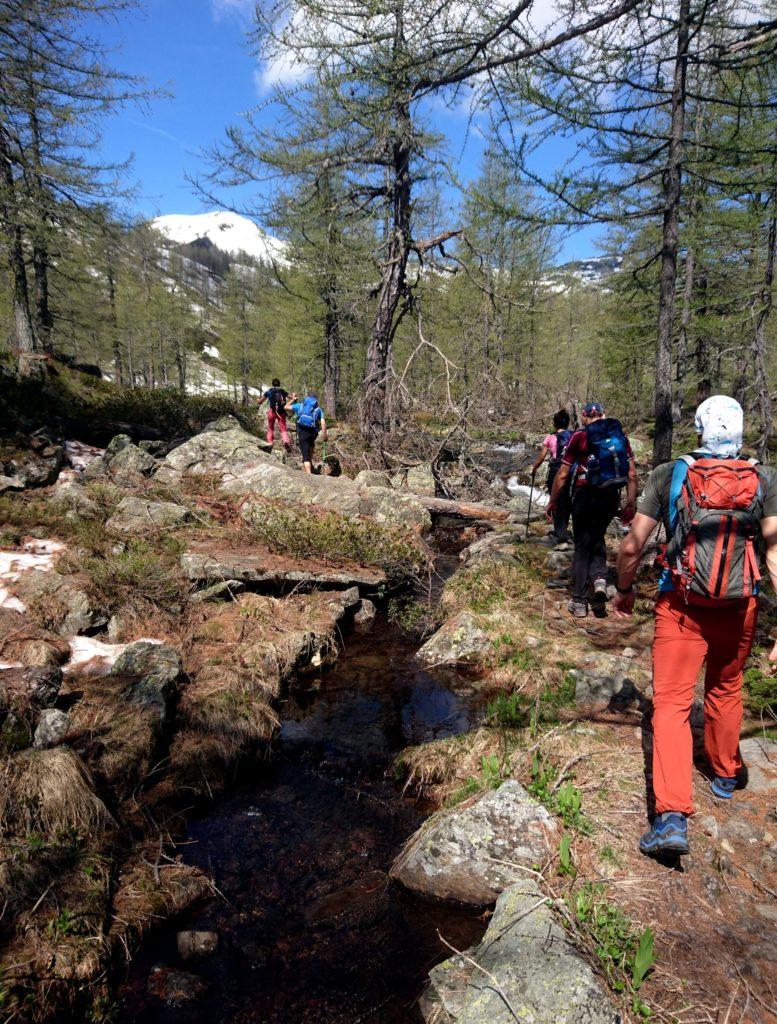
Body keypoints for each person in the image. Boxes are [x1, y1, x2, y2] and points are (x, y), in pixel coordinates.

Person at [612, 396, 777, 857]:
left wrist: (624, 590)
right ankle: (725, 775)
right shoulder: (765, 478)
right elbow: (776, 556)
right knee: (725, 688)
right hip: (739, 608)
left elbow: (631, 547)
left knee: (670, 705)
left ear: (700, 429)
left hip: (681, 607)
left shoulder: (669, 474)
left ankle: (670, 818)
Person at [547, 401, 637, 618]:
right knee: (597, 538)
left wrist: (553, 501)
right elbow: (632, 473)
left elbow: (562, 474)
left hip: (585, 496)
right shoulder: (620, 437)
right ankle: (599, 580)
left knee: (582, 546)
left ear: (585, 417)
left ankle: (579, 601)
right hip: (609, 497)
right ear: (604, 415)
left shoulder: (579, 436)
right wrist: (631, 503)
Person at [532, 409, 573, 546]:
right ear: (567, 423)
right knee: (567, 500)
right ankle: (564, 530)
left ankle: (558, 532)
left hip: (556, 470)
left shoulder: (550, 437)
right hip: (570, 471)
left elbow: (541, 458)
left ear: (555, 424)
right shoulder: (573, 436)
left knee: (554, 499)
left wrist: (534, 469)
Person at [287, 392, 327, 474]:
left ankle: (309, 475)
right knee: (311, 444)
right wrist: (325, 435)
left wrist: (292, 399)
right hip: (313, 433)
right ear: (315, 400)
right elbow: (323, 423)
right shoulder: (318, 409)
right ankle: (310, 462)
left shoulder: (300, 405)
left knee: (305, 455)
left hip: (302, 431)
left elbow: (285, 407)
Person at [257, 378, 292, 451]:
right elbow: (291, 397)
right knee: (283, 429)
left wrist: (258, 400)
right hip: (281, 412)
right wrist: (294, 396)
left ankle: (270, 443)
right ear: (279, 384)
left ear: (272, 384)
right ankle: (286, 441)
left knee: (270, 428)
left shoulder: (269, 392)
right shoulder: (282, 391)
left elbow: (260, 402)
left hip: (272, 412)